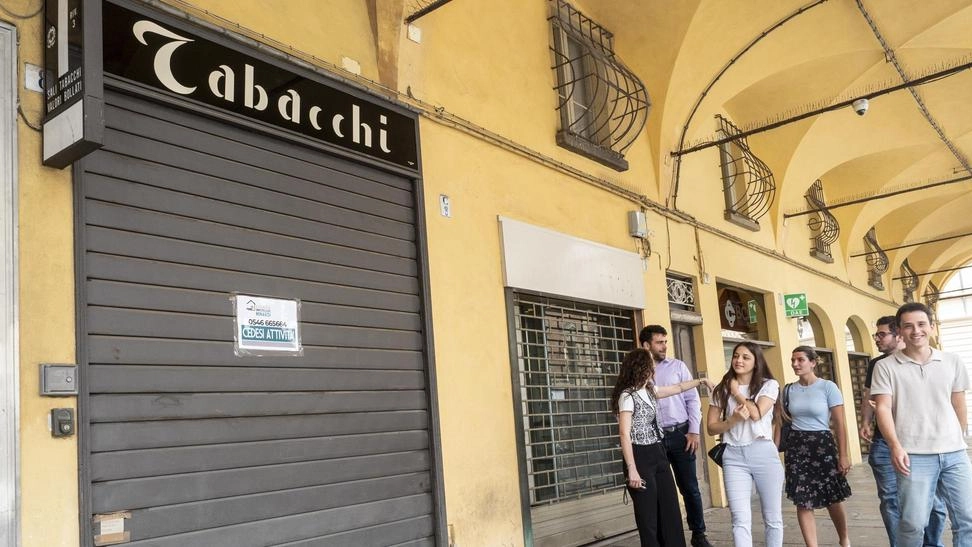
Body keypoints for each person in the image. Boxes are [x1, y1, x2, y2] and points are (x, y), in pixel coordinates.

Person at [871, 302, 972, 547]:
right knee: (913, 523)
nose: (916, 330)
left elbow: (958, 401)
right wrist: (895, 446)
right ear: (900, 332)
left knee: (967, 519)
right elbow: (882, 408)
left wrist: (959, 437)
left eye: (921, 324)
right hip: (913, 455)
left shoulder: (952, 361)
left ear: (932, 328)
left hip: (954, 453)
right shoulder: (885, 366)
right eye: (908, 326)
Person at [613, 348, 714, 547]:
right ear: (642, 366)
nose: (654, 366)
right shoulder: (627, 396)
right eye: (650, 363)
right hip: (639, 455)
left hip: (658, 452)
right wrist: (631, 469)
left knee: (669, 508)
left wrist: (700, 381)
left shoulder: (649, 390)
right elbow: (624, 434)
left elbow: (677, 388)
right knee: (648, 515)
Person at [859, 315, 946, 546]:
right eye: (876, 334)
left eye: (882, 334)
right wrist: (866, 421)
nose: (877, 339)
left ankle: (932, 543)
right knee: (890, 499)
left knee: (935, 502)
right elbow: (869, 395)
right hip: (884, 443)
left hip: (922, 441)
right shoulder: (877, 365)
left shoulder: (928, 362)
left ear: (898, 334)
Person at [639, 325, 714, 547]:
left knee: (689, 487)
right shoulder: (639, 371)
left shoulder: (678, 366)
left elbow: (692, 399)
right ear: (646, 345)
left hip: (680, 434)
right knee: (662, 491)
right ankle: (668, 536)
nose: (664, 346)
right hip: (654, 439)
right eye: (659, 342)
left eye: (665, 341)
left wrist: (693, 431)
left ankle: (699, 534)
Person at [706, 341, 784, 547]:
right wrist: (732, 421)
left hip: (764, 454)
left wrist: (736, 392)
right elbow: (711, 428)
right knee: (739, 519)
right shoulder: (720, 390)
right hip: (733, 456)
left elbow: (757, 414)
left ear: (756, 362)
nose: (739, 360)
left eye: (745, 357)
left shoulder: (769, 385)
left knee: (772, 518)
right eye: (736, 356)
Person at [783, 346, 852, 547]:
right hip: (796, 447)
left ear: (813, 362)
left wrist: (843, 455)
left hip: (822, 445)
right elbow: (782, 419)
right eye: (793, 360)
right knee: (802, 498)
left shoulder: (827, 387)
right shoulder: (789, 389)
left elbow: (839, 423)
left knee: (832, 496)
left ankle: (844, 538)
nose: (795, 364)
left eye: (800, 360)